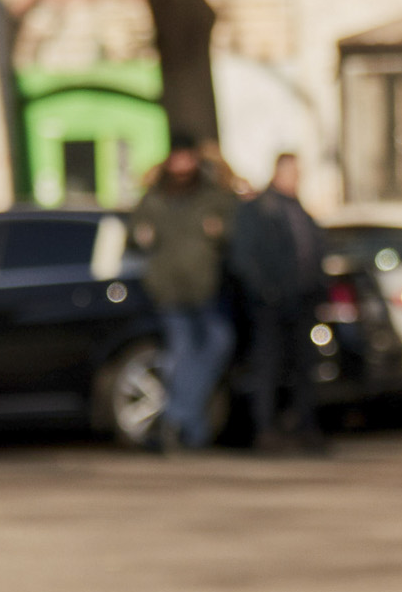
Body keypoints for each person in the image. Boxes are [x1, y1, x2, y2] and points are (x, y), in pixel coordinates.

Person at [130, 137, 239, 452]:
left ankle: (177, 419)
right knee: (182, 352)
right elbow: (134, 235)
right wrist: (140, 237)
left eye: (187, 158)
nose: (182, 165)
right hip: (169, 290)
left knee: (217, 344)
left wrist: (220, 231)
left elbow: (235, 230)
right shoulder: (155, 198)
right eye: (177, 158)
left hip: (206, 287)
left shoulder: (212, 195)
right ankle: (190, 429)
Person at [231, 152, 328, 452]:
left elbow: (312, 252)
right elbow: (243, 258)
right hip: (270, 305)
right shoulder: (259, 209)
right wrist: (265, 291)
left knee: (303, 367)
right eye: (292, 173)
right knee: (268, 366)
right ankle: (265, 429)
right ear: (278, 173)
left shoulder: (299, 210)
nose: (296, 179)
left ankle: (305, 428)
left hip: (301, 300)